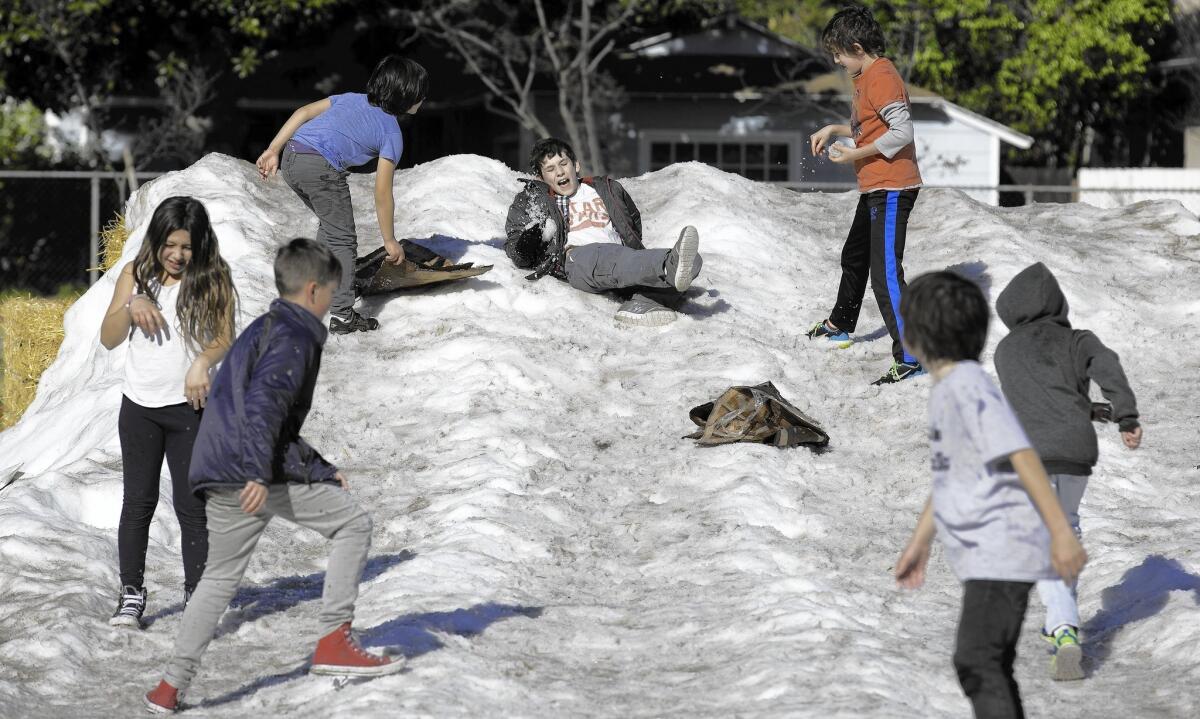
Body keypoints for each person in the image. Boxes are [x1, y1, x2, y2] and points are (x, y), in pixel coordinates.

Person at [143, 239, 401, 714]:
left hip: (221, 466)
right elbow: (264, 409)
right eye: (333, 293)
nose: (332, 303)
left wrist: (320, 470)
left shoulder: (267, 326)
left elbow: (264, 415)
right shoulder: (294, 335)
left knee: (218, 578)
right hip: (250, 470)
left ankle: (169, 687)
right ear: (313, 291)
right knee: (353, 524)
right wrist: (259, 475)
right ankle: (334, 643)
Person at [893, 271, 1088, 719]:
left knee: (977, 660)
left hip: (1006, 549)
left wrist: (1061, 534)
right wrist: (919, 544)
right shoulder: (950, 389)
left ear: (920, 333)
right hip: (991, 553)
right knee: (988, 661)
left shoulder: (967, 387)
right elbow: (948, 477)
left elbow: (1023, 454)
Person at [994, 261, 1142, 681]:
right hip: (1075, 454)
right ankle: (1059, 623)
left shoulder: (1006, 352)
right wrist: (1124, 416)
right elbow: (1105, 367)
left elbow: (1031, 401)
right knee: (1064, 529)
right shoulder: (1077, 340)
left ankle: (1063, 629)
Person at [99, 196, 237, 628]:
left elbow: (225, 339)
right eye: (171, 245)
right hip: (138, 407)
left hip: (189, 409)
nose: (178, 255)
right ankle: (131, 594)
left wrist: (201, 363)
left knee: (191, 506)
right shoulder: (135, 273)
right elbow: (108, 338)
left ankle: (198, 595)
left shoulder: (214, 277)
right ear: (157, 239)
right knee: (137, 503)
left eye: (188, 246)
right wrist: (131, 303)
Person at [255, 55, 428, 334]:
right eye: (422, 93)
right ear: (407, 97)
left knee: (332, 227)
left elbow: (303, 113)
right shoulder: (392, 133)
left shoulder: (351, 98)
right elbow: (382, 192)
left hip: (292, 156)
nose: (424, 98)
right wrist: (389, 240)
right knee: (343, 238)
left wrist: (273, 149)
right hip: (321, 167)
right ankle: (343, 315)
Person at [805, 5, 924, 385]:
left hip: (891, 187)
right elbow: (872, 127)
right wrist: (835, 129)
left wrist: (855, 153)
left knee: (886, 275)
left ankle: (910, 357)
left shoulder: (882, 76)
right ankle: (840, 324)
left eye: (838, 53)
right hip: (875, 186)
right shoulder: (867, 76)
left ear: (857, 46)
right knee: (854, 256)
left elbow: (902, 132)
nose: (837, 61)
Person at [504, 137, 703, 326]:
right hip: (579, 259)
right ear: (541, 177)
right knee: (663, 264)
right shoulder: (534, 200)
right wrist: (527, 244)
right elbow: (516, 246)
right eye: (550, 169)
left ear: (576, 165)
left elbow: (631, 222)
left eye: (563, 164)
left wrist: (633, 252)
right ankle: (665, 269)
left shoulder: (606, 188)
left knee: (693, 261)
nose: (559, 172)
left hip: (621, 257)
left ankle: (642, 304)